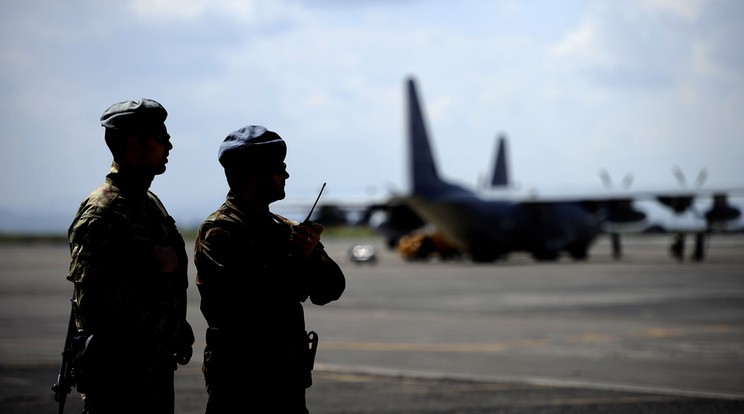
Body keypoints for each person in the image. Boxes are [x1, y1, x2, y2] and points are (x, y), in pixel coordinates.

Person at [194, 125, 346, 413]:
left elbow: (331, 289)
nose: (285, 175)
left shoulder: (284, 229)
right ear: (253, 174)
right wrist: (296, 261)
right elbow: (248, 303)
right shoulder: (220, 231)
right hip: (242, 381)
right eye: (279, 168)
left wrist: (311, 253)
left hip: (287, 379)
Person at [66, 99, 194, 414]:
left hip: (154, 370)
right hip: (119, 379)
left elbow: (169, 269)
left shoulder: (149, 202)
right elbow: (92, 300)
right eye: (161, 137)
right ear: (135, 142)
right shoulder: (103, 211)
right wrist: (150, 262)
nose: (169, 145)